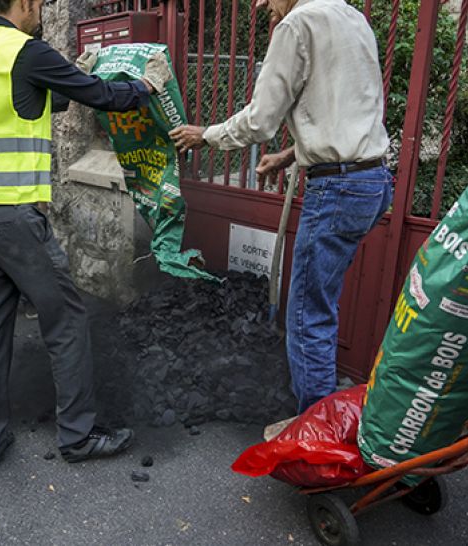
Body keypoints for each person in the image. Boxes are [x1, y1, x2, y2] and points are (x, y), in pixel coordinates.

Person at [0, 0, 171, 472]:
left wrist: (75, 72)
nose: (42, 14)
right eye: (39, 6)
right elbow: (100, 96)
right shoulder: (24, 50)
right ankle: (78, 434)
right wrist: (147, 85)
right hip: (12, 218)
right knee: (67, 319)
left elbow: (40, 99)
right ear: (24, 3)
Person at [169, 0, 393, 414]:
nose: (260, 4)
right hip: (373, 181)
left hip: (339, 188)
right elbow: (343, 113)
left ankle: (317, 433)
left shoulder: (297, 23)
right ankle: (322, 409)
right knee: (321, 303)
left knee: (308, 316)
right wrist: (290, 156)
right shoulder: (353, 18)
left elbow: (261, 120)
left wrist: (206, 136)